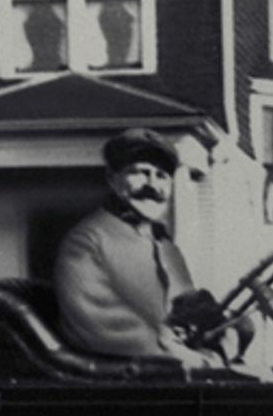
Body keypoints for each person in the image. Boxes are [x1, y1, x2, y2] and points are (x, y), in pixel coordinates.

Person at [53, 129, 253, 363]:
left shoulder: (162, 242)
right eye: (140, 173)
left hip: (166, 357)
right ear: (112, 178)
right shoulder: (86, 241)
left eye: (161, 176)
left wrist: (218, 321)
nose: (152, 185)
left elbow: (184, 298)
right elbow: (97, 322)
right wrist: (176, 350)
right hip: (126, 372)